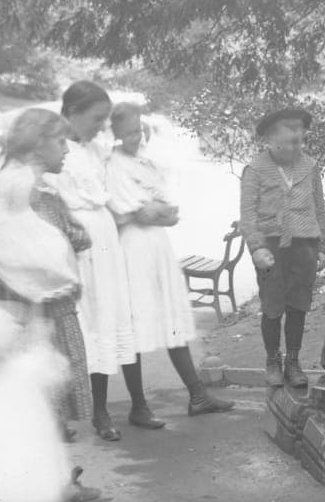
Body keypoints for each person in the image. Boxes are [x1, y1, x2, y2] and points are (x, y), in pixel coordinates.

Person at [0, 108, 95, 442]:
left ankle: (48, 476)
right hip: (46, 304)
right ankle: (56, 484)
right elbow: (77, 237)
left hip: (10, 298)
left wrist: (6, 261)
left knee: (21, 386)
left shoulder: (4, 184)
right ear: (37, 146)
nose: (66, 149)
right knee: (46, 381)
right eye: (60, 141)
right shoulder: (41, 194)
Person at [50, 80, 164, 442]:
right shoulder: (53, 149)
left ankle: (138, 403)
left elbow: (125, 149)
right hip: (76, 244)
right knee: (86, 328)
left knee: (117, 317)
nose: (102, 126)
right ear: (71, 113)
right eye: (96, 118)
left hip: (106, 240)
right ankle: (94, 412)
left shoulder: (96, 148)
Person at [105, 102, 234, 416]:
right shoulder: (113, 164)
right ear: (117, 132)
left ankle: (197, 395)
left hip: (157, 246)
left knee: (172, 317)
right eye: (130, 131)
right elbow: (133, 210)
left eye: (139, 129)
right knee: (135, 323)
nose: (136, 136)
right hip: (133, 249)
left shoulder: (145, 162)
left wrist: (157, 211)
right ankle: (139, 405)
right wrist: (153, 211)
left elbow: (168, 209)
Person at [0, 304, 101, 502]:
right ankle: (66, 489)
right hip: (27, 477)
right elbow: (58, 370)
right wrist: (41, 337)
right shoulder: (24, 370)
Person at [239, 108, 325, 388]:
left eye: (299, 142)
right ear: (269, 140)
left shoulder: (310, 166)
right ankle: (272, 360)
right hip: (270, 248)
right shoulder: (254, 170)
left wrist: (322, 247)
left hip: (304, 246)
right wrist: (255, 248)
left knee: (299, 306)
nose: (295, 147)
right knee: (273, 306)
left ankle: (293, 361)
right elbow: (248, 215)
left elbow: (319, 208)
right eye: (289, 142)